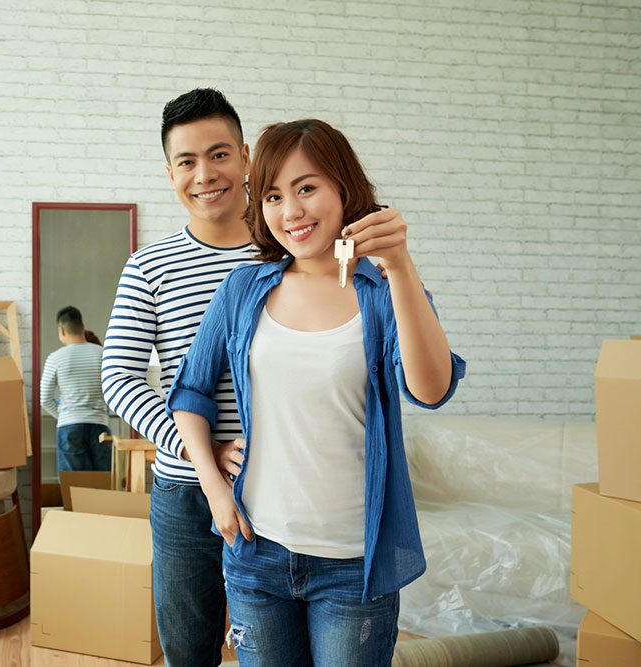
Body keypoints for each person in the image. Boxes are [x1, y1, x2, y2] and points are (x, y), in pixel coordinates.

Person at [166, 118, 466, 666]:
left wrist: (399, 265)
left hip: (355, 564)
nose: (291, 212)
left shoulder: (384, 291)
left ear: (343, 188)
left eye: (307, 188)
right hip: (256, 552)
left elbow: (430, 390)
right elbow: (189, 391)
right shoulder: (243, 289)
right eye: (274, 195)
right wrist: (213, 486)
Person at [101, 88, 254, 666]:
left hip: (282, 483)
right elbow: (117, 378)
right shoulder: (149, 266)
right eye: (187, 162)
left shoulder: (286, 250)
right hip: (186, 491)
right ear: (170, 174)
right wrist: (200, 450)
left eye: (218, 155)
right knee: (190, 653)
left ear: (244, 156)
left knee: (275, 650)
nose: (204, 174)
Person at [40, 306, 110, 472]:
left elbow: (44, 398)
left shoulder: (55, 358)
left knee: (73, 486)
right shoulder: (103, 354)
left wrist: (65, 415)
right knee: (103, 485)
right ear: (83, 327)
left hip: (69, 426)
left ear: (61, 330)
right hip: (99, 425)